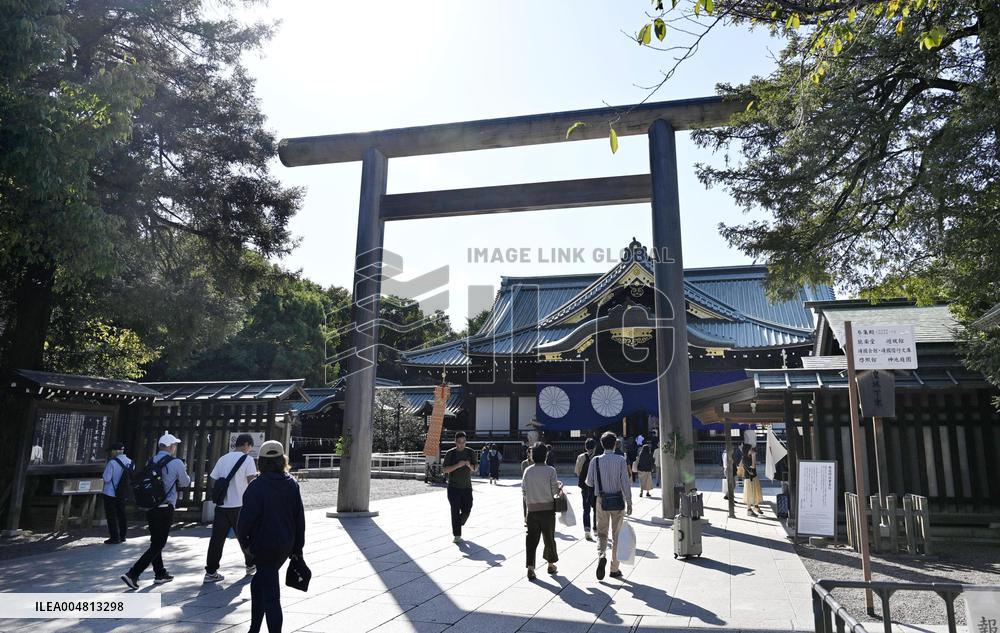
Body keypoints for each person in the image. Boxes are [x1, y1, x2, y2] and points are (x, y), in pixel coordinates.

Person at [238, 440, 305, 633]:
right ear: (282, 460)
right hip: (285, 544)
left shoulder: (257, 486)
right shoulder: (292, 483)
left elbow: (244, 522)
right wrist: (298, 548)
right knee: (258, 583)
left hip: (263, 545)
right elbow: (299, 518)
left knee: (271, 596)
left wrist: (246, 547)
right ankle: (254, 629)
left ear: (261, 462)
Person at [121, 433, 191, 589]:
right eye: (175, 445)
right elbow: (185, 482)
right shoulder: (176, 462)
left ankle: (160, 573)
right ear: (171, 446)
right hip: (166, 506)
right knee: (159, 543)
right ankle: (133, 574)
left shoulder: (151, 461)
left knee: (155, 541)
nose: (175, 448)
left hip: (150, 505)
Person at [204, 434, 259, 582]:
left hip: (222, 505)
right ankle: (250, 564)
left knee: (217, 539)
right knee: (245, 537)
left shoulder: (223, 459)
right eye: (250, 447)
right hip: (240, 505)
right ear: (247, 444)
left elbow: (213, 480)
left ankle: (211, 571)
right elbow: (251, 483)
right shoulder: (248, 460)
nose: (249, 450)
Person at [586, 432, 632, 580]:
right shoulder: (621, 460)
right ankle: (614, 568)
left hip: (601, 499)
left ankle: (602, 555)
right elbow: (626, 482)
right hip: (618, 500)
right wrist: (629, 501)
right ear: (615, 444)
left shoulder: (595, 460)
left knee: (602, 533)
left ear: (601, 443)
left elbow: (590, 482)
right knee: (617, 535)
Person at [523, 442, 561, 580]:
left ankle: (531, 567)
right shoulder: (551, 471)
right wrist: (560, 486)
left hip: (532, 510)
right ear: (545, 455)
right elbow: (554, 490)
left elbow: (524, 490)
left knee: (531, 540)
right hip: (547, 509)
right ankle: (550, 564)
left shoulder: (528, 471)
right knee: (549, 538)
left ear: (532, 455)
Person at [442, 431, 477, 543]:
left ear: (465, 441)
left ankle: (459, 522)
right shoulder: (450, 453)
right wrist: (457, 465)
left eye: (463, 442)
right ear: (455, 442)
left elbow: (475, 468)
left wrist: (469, 465)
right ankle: (457, 535)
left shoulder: (470, 452)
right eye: (459, 442)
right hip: (453, 487)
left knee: (468, 508)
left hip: (467, 487)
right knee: (455, 511)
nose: (461, 444)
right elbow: (444, 470)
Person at [101, 441, 131, 544]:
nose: (110, 453)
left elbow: (106, 478)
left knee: (111, 515)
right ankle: (123, 535)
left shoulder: (112, 463)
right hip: (122, 493)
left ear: (116, 451)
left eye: (111, 451)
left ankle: (114, 537)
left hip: (110, 492)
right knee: (122, 514)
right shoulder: (131, 462)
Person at [574, 438, 597, 541]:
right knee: (596, 508)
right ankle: (596, 528)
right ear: (595, 447)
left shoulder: (580, 457)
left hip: (584, 486)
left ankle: (587, 530)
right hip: (595, 486)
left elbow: (577, 472)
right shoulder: (597, 458)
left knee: (586, 509)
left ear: (585, 447)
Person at [742, 445, 764, 516]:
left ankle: (756, 506)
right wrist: (754, 457)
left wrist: (753, 457)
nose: (752, 450)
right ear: (747, 450)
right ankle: (749, 510)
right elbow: (753, 467)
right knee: (749, 494)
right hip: (749, 479)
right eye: (750, 449)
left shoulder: (749, 456)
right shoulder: (745, 459)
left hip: (754, 477)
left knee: (756, 492)